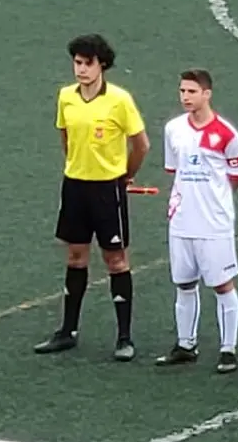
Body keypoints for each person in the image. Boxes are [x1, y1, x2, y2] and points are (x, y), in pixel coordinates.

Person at [33, 34, 150, 361]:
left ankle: (124, 337)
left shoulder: (120, 100)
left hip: (107, 189)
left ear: (102, 65)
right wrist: (75, 165)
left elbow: (141, 144)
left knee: (115, 259)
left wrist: (124, 175)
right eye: (77, 63)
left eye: (87, 63)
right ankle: (67, 331)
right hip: (75, 187)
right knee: (75, 256)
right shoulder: (66, 97)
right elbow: (65, 136)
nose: (81, 70)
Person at [154, 69, 238, 373]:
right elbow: (174, 170)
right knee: (183, 283)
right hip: (181, 221)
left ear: (207, 94)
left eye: (192, 92)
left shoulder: (226, 134)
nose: (185, 97)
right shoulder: (173, 129)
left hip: (214, 224)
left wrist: (214, 200)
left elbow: (236, 175)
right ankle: (185, 344)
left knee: (222, 284)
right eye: (182, 91)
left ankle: (228, 349)